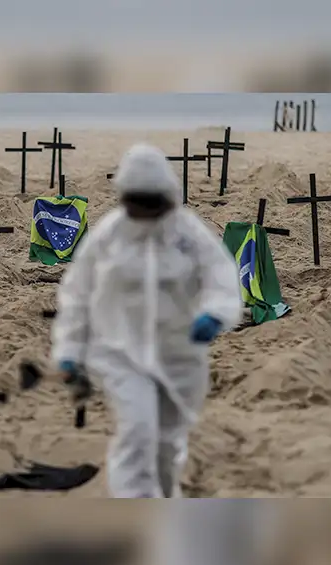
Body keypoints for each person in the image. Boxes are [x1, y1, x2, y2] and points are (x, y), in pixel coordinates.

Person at [51, 143, 242, 498]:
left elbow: (221, 274)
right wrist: (69, 350)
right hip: (120, 352)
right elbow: (78, 293)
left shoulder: (188, 234)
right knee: (137, 431)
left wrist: (216, 313)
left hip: (179, 354)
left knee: (168, 442)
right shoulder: (109, 236)